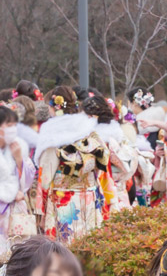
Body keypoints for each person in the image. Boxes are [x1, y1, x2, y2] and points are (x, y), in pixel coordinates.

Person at [35, 86, 111, 242]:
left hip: (63, 198)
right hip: (89, 195)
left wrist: (40, 210)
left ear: (55, 107)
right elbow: (102, 162)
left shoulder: (52, 135)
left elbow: (45, 177)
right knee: (89, 242)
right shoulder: (89, 130)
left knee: (65, 247)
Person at [83, 95, 142, 211]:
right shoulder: (117, 135)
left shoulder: (95, 139)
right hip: (118, 187)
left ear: (91, 116)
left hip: (103, 187)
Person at [0, 106, 36, 249]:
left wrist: (19, 160)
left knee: (16, 249)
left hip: (14, 210)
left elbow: (28, 178)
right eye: (9, 126)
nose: (12, 129)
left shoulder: (18, 147)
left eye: (15, 125)